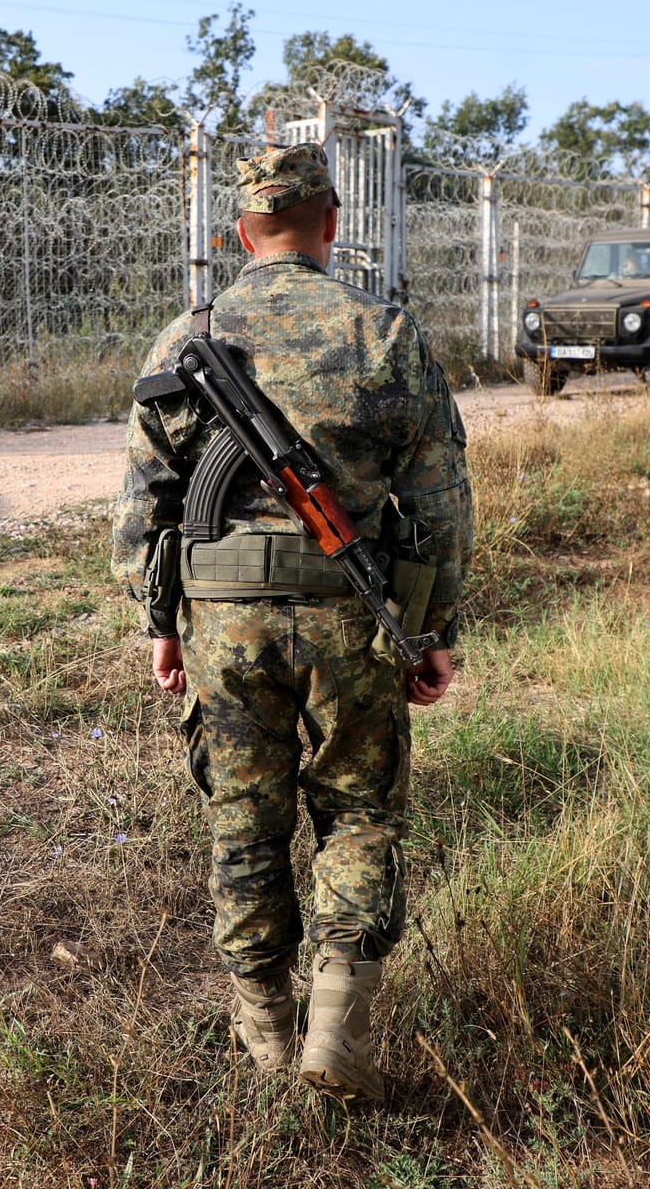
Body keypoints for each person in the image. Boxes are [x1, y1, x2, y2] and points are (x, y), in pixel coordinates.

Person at [110, 142, 474, 1102]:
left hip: (222, 625)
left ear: (240, 232)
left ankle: (265, 1028)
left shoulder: (181, 337)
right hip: (352, 619)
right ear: (334, 222)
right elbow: (441, 504)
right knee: (359, 810)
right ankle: (334, 1030)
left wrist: (162, 621)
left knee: (246, 818)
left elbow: (144, 504)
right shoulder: (383, 332)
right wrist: (431, 631)